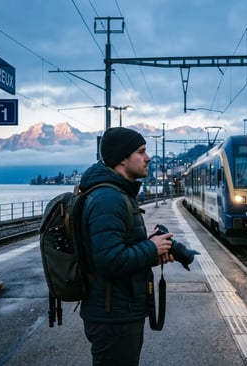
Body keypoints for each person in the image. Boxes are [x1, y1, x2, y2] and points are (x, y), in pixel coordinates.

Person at [79, 127, 174, 366]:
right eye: (141, 151)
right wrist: (150, 249)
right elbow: (109, 259)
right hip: (113, 317)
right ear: (122, 158)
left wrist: (153, 251)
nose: (148, 157)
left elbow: (116, 250)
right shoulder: (108, 199)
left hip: (119, 310)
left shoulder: (117, 194)